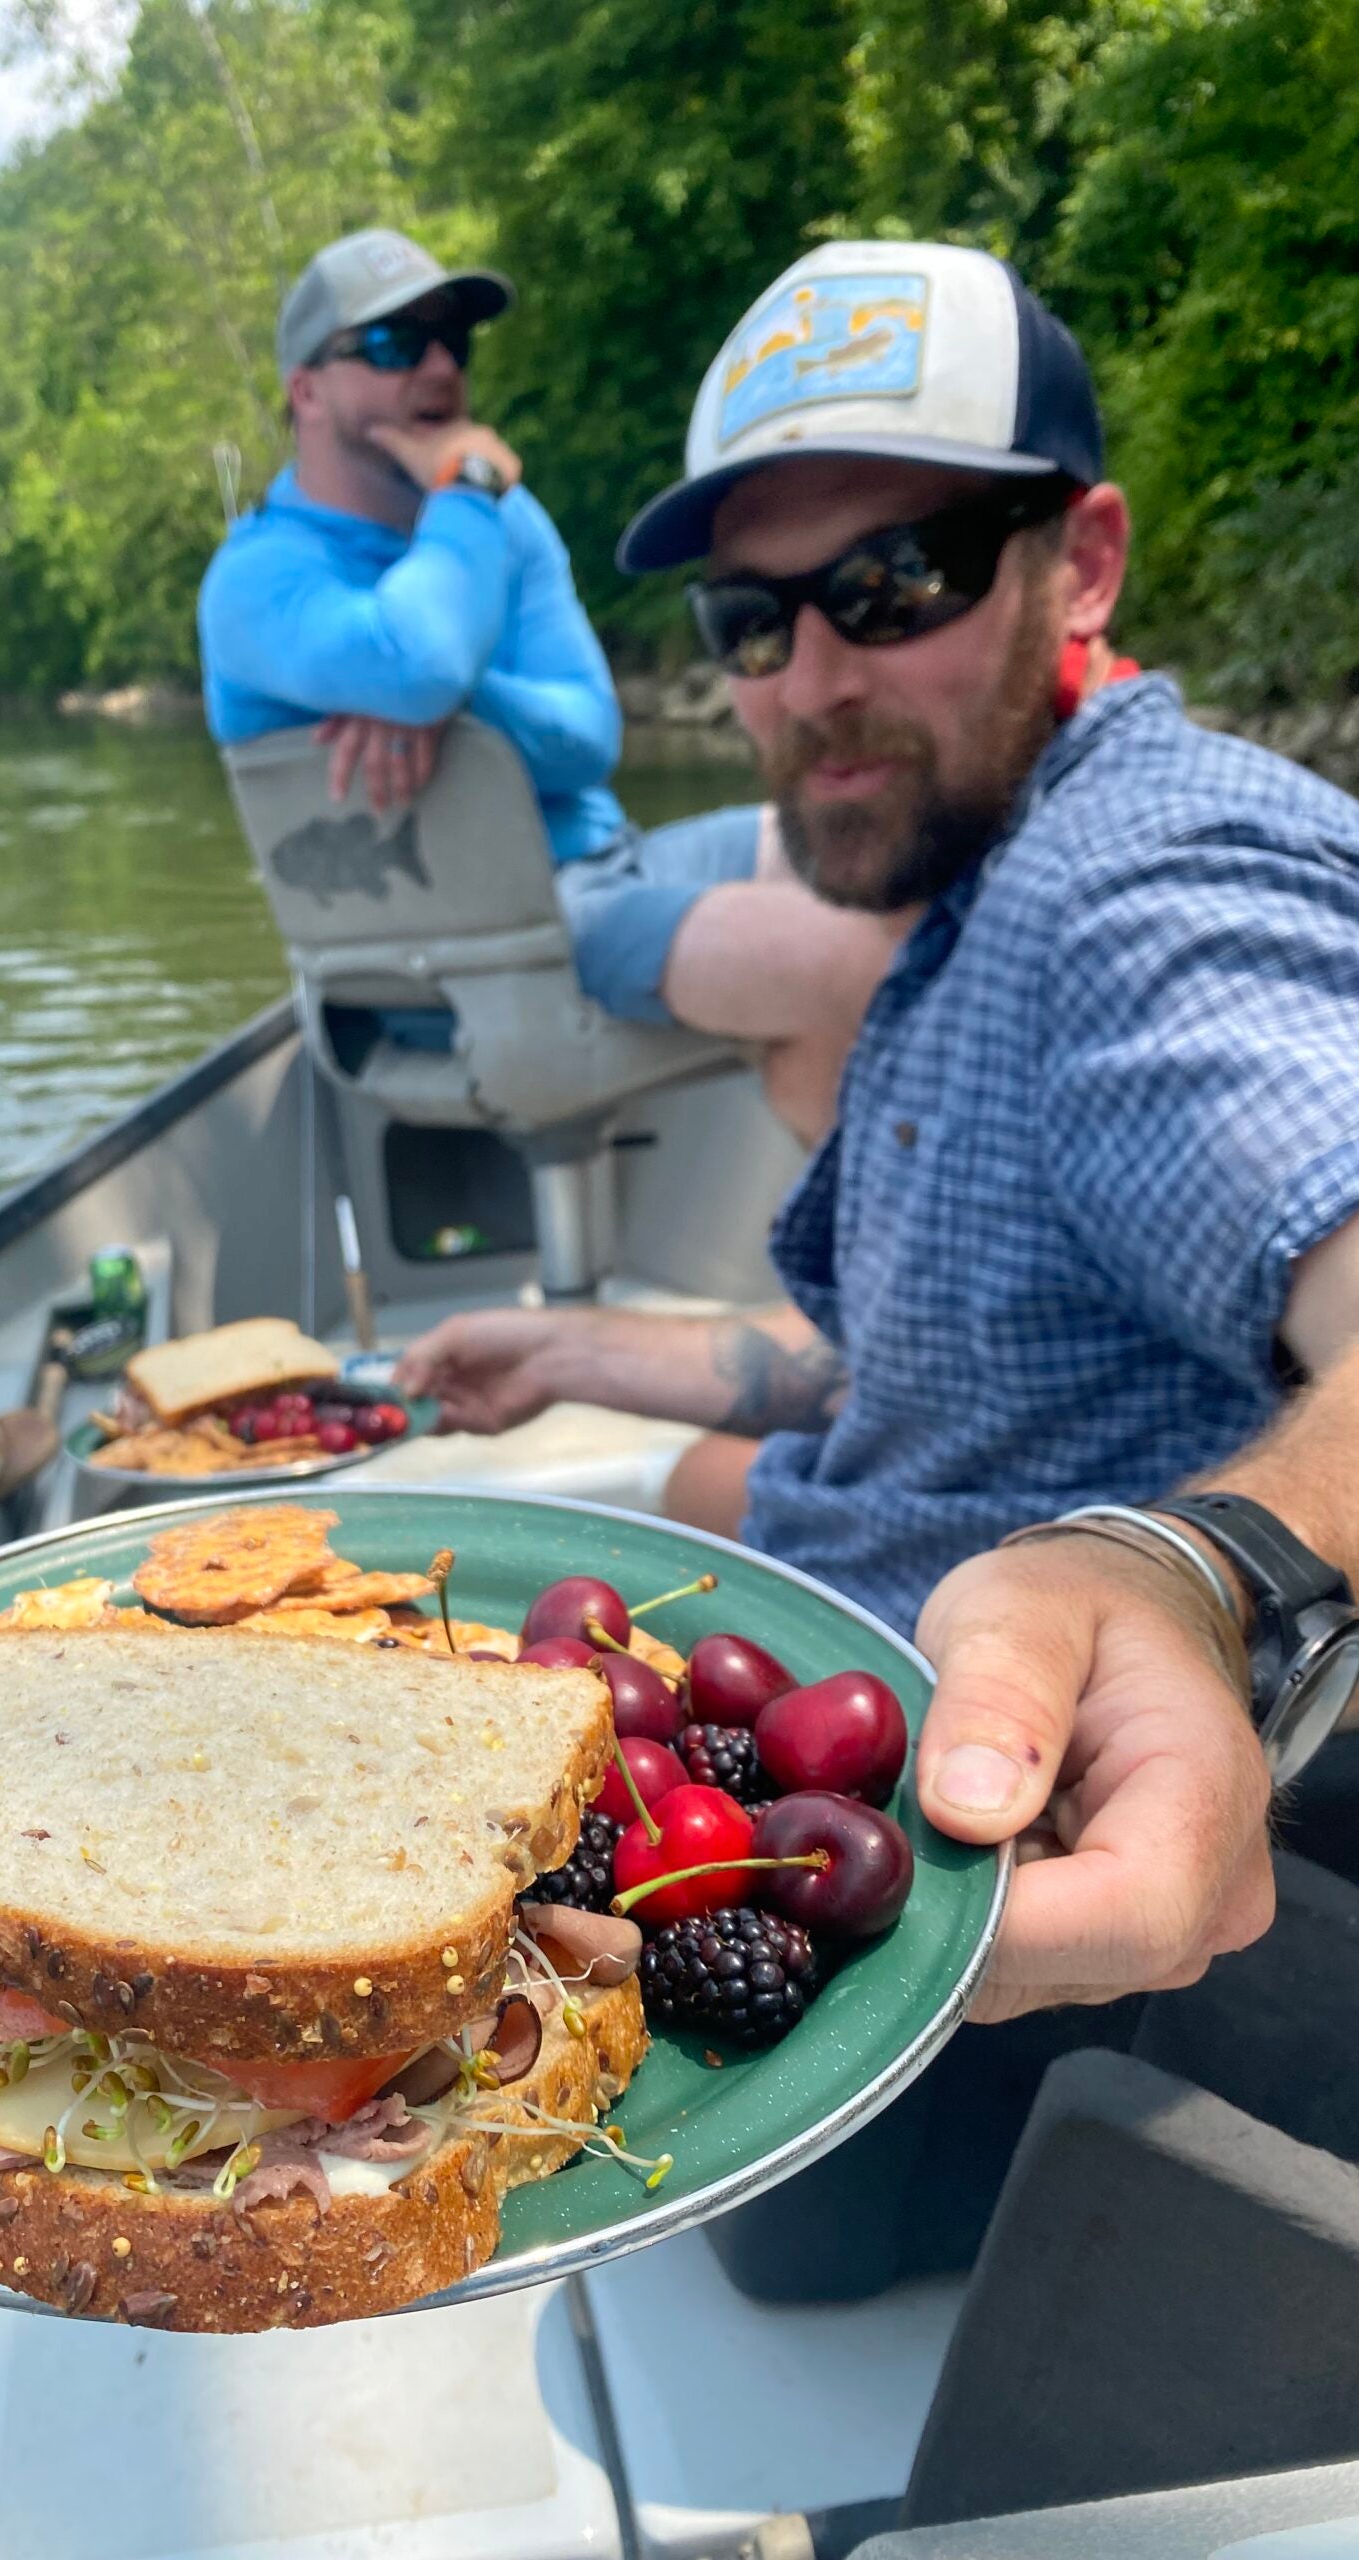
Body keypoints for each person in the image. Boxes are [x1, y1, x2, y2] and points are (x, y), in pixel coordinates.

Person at [397, 238, 1359, 2291]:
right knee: (636, 1496)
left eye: (896, 583)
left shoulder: (1141, 895)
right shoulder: (975, 864)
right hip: (844, 1626)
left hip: (956, 1845)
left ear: (1077, 562)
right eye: (754, 617)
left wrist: (1203, 1567)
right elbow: (914, 1358)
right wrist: (579, 1347)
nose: (814, 677)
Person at [198, 227, 897, 1130]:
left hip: (605, 871)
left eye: (455, 341)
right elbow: (425, 665)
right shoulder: (261, 576)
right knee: (846, 965)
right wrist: (461, 493)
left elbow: (586, 735)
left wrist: (459, 711)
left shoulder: (504, 519)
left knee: (861, 843)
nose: (440, 367)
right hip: (510, 947)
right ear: (307, 391)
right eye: (393, 345)